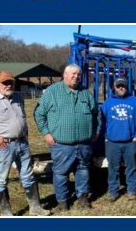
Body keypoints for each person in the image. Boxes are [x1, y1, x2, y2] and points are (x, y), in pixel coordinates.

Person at [0, 70, 50, 216]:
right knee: (2, 180)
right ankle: (6, 212)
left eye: (11, 82)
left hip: (22, 144)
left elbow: (22, 118)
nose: (8, 85)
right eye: (5, 83)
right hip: (4, 146)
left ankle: (35, 208)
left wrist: (25, 134)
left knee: (28, 176)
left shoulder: (18, 97)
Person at [34, 64, 100, 211]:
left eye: (78, 74)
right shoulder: (52, 92)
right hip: (61, 144)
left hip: (84, 143)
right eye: (73, 74)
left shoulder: (85, 93)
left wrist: (96, 131)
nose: (76, 77)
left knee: (83, 170)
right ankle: (63, 202)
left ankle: (83, 198)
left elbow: (97, 114)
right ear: (65, 75)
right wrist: (46, 133)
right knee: (61, 173)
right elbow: (39, 114)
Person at [100, 77, 136, 202]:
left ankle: (132, 191)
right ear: (114, 87)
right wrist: (105, 137)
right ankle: (113, 192)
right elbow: (102, 121)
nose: (121, 88)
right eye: (118, 86)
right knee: (113, 168)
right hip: (112, 142)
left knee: (132, 167)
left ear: (126, 87)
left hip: (130, 142)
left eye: (123, 86)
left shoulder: (134, 102)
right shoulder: (107, 103)